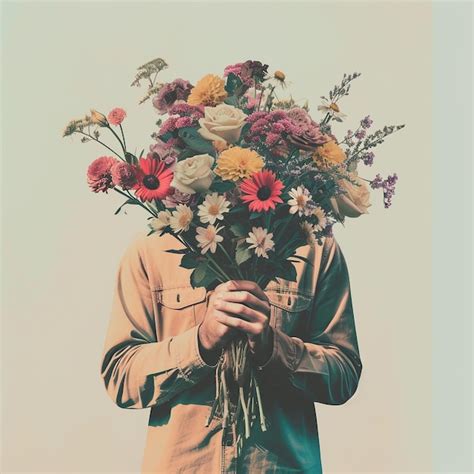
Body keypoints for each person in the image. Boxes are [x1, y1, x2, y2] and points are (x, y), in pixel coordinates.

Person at [100, 230, 363, 473]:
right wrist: (201, 342)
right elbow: (120, 376)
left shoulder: (312, 245)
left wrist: (273, 347)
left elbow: (344, 375)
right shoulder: (153, 247)